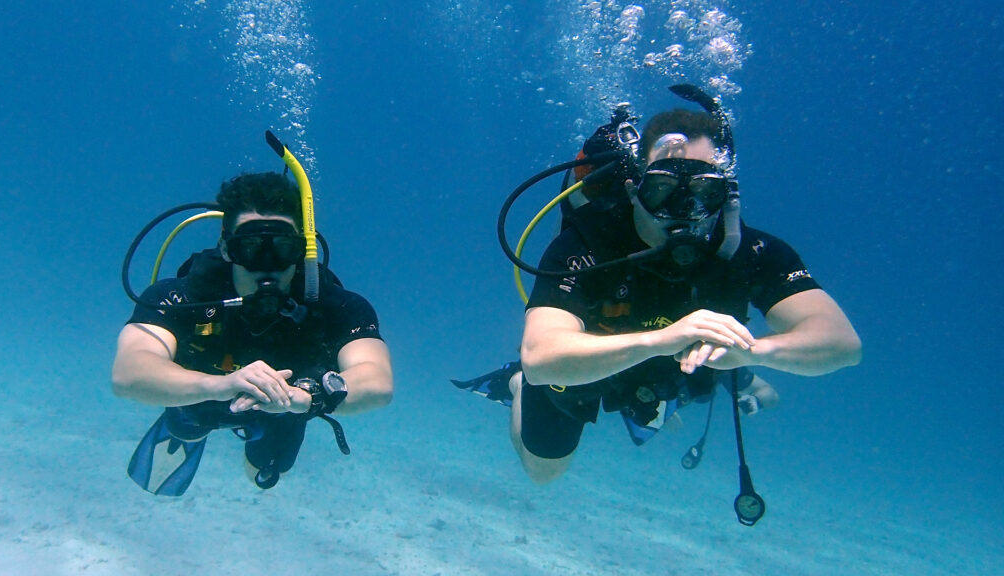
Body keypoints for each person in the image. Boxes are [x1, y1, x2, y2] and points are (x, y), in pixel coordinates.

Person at [458, 89, 860, 485]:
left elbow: (842, 344)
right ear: (636, 185)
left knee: (666, 400)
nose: (684, 208)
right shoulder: (587, 244)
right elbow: (541, 358)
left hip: (667, 369)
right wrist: (662, 339)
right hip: (590, 364)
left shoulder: (751, 250)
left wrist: (754, 351)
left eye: (704, 190)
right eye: (664, 188)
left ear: (726, 192)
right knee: (544, 472)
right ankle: (514, 388)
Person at [113, 172, 393, 495]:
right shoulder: (185, 298)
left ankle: (255, 444)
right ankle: (184, 430)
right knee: (187, 424)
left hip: (286, 405)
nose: (267, 266)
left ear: (303, 250)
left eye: (283, 248)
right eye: (249, 248)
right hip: (201, 396)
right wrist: (220, 386)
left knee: (267, 473)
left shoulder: (333, 305)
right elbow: (128, 372)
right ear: (226, 248)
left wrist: (308, 396)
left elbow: (378, 381)